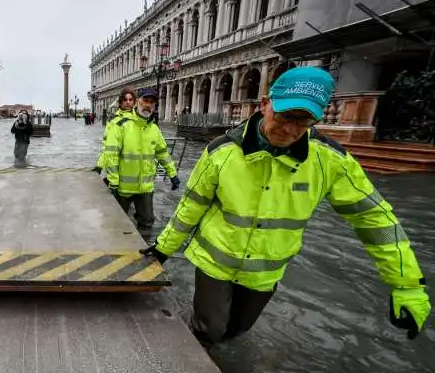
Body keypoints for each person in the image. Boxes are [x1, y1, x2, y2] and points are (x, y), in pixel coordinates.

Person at [141, 67, 431, 348]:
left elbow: (375, 218)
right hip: (215, 263)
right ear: (265, 104)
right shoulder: (221, 151)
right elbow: (191, 205)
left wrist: (407, 285)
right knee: (210, 328)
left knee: (239, 328)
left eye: (304, 121)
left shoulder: (330, 161)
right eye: (286, 116)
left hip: (265, 272)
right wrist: (163, 248)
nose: (291, 129)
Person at [104, 87, 180, 234]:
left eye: (152, 102)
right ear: (138, 101)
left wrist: (173, 174)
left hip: (145, 188)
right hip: (122, 188)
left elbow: (162, 153)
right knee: (117, 223)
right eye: (145, 100)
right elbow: (111, 155)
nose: (148, 105)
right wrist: (113, 181)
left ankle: (142, 253)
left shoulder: (154, 129)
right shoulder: (121, 125)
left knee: (147, 223)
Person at [94, 87, 137, 174]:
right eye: (125, 100)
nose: (128, 102)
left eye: (130, 99)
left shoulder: (140, 120)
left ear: (134, 102)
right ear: (120, 102)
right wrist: (100, 164)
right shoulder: (113, 121)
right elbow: (107, 146)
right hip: (120, 167)